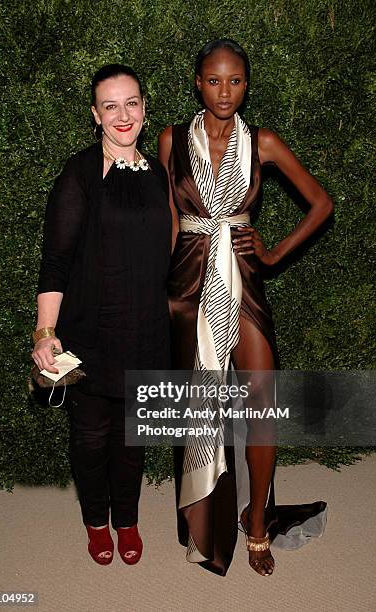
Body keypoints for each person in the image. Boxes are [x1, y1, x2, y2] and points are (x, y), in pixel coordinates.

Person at [159, 39, 332, 576]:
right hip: (187, 283)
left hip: (243, 283)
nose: (224, 91)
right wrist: (154, 290)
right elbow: (169, 217)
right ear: (197, 82)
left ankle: (256, 520)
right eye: (213, 80)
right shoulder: (170, 140)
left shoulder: (263, 142)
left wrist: (274, 252)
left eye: (235, 81)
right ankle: (203, 517)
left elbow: (321, 202)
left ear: (247, 85)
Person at [32, 64, 171, 566]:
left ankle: (128, 520)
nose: (122, 114)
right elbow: (55, 261)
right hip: (90, 332)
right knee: (91, 439)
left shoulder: (158, 173)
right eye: (110, 105)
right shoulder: (80, 174)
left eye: (131, 102)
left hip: (147, 330)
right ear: (95, 115)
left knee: (134, 439)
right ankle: (96, 523)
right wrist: (46, 331)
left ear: (143, 108)